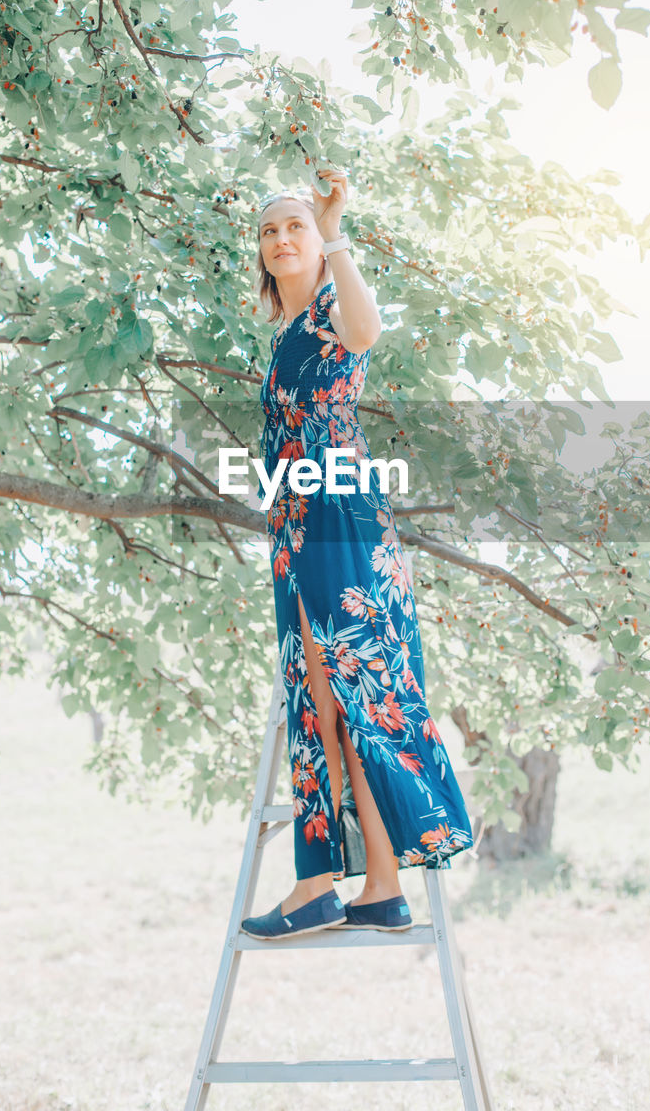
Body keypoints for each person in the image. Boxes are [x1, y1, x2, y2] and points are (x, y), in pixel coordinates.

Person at [241, 168, 474, 940]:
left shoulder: (338, 314)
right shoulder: (284, 335)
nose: (281, 239)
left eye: (293, 227)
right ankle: (375, 886)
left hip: (337, 515)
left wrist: (336, 229)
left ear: (316, 242)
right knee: (329, 705)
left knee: (347, 687)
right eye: (270, 231)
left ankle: (317, 883)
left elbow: (370, 332)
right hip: (299, 519)